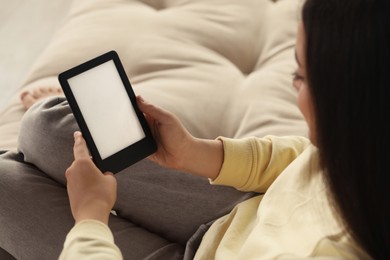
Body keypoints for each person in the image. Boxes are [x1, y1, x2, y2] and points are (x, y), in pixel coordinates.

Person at [23, 0, 389, 259]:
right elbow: (304, 160)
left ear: (348, 106)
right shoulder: (365, 146)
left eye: (300, 76)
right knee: (45, 126)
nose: (293, 85)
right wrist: (198, 153)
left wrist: (91, 218)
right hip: (241, 213)